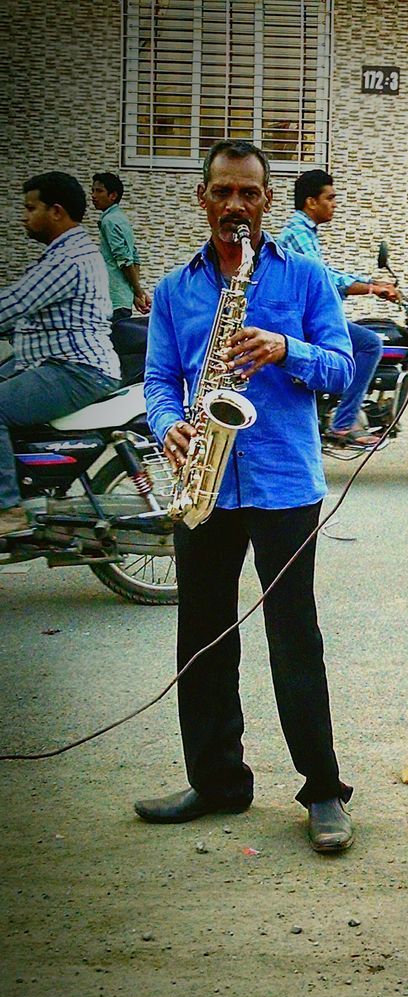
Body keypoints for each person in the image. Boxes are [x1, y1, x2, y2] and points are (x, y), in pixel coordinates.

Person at [135, 140, 357, 854]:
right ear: (203, 198)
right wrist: (170, 428)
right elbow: (161, 380)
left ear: (267, 202)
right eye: (222, 192)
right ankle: (217, 781)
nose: (235, 206)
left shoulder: (306, 277)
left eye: (250, 194)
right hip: (205, 475)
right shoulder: (175, 290)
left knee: (295, 637)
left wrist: (285, 349)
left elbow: (344, 367)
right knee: (201, 635)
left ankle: (323, 791)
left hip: (284, 481)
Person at [0, 171, 121, 538]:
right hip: (53, 362)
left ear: (56, 211)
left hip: (77, 369)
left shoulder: (68, 258)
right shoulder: (65, 253)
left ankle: (8, 509)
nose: (23, 216)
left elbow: (15, 302)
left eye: (29, 207)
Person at [276, 168, 397, 446]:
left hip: (306, 316)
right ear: (311, 202)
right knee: (369, 344)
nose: (334, 204)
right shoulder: (297, 233)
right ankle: (344, 423)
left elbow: (325, 273)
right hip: (303, 321)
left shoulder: (305, 232)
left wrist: (370, 282)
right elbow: (323, 279)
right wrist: (371, 288)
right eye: (329, 198)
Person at [90, 172, 151, 321]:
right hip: (122, 299)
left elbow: (124, 260)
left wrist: (138, 291)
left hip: (113, 300)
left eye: (99, 191)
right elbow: (134, 257)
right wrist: (134, 293)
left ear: (113, 195)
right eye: (92, 191)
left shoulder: (109, 221)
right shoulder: (121, 218)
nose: (93, 196)